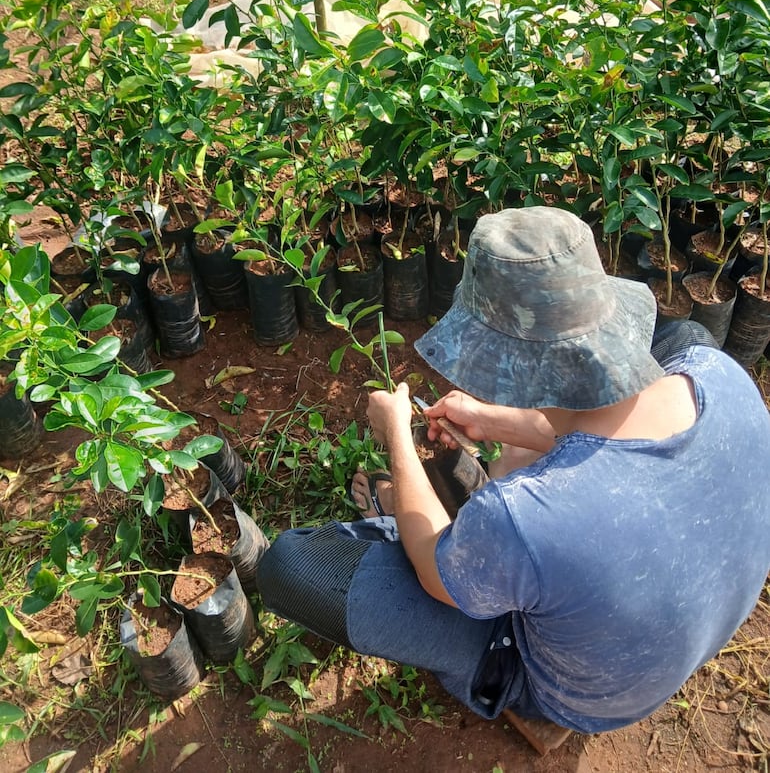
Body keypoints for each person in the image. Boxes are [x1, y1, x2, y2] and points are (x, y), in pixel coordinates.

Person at [256, 206, 770, 733]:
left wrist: (396, 439)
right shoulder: (721, 374)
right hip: (674, 645)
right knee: (687, 340)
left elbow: (436, 576)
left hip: (577, 695)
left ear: (512, 367)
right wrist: (491, 421)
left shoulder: (528, 514)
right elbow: (604, 432)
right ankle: (460, 523)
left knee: (292, 567)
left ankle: (428, 526)